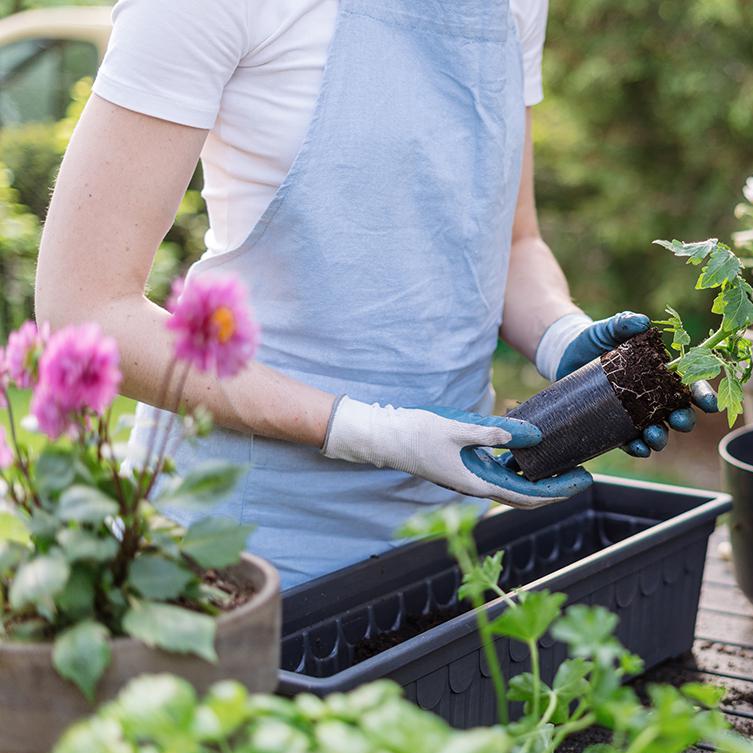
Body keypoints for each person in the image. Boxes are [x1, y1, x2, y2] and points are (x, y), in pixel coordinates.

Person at [34, 0, 715, 588]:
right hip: (241, 544)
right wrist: (368, 430)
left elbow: (506, 242)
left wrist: (560, 334)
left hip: (447, 529)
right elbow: (87, 307)